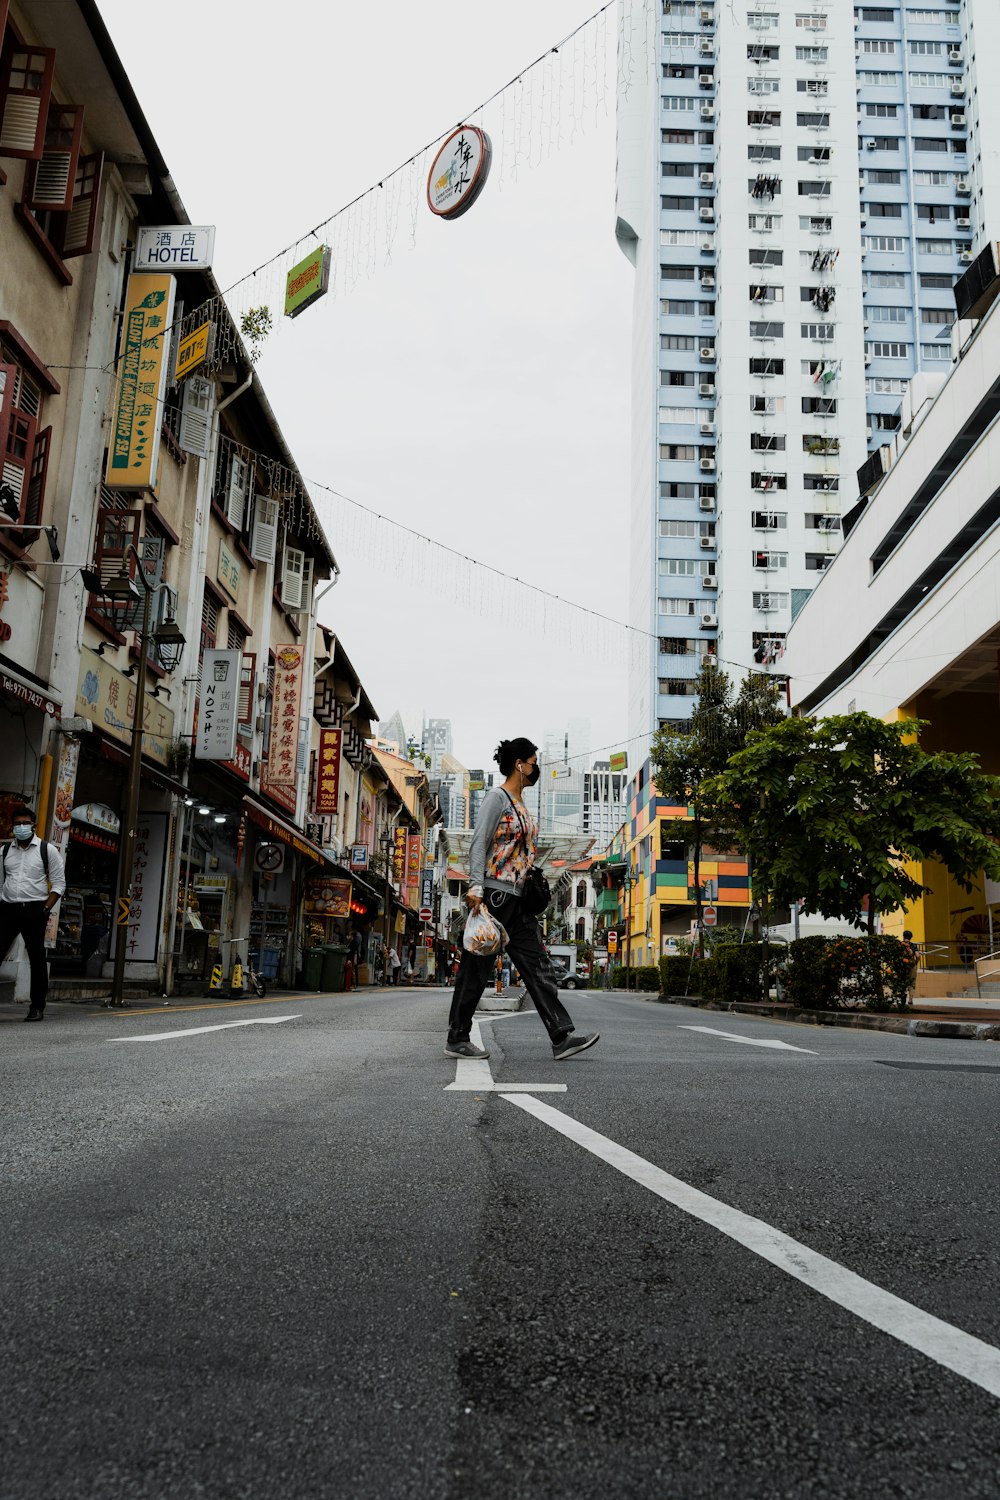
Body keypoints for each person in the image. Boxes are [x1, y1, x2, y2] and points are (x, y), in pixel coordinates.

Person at [445, 737, 599, 1062]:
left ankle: (561, 1035)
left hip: (519, 902)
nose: (535, 767)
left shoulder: (521, 804)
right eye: (532, 761)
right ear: (519, 764)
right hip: (495, 897)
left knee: (539, 967)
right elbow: (478, 844)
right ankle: (458, 1037)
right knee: (475, 968)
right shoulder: (497, 799)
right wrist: (475, 889)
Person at [0, 807, 66, 1022]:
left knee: (37, 960)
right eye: (17, 823)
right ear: (12, 825)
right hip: (8, 909)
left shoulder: (47, 850)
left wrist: (45, 909)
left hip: (36, 909)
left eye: (25, 823)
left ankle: (37, 1007)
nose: (21, 827)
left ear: (33, 824)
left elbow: (58, 884)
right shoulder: (4, 851)